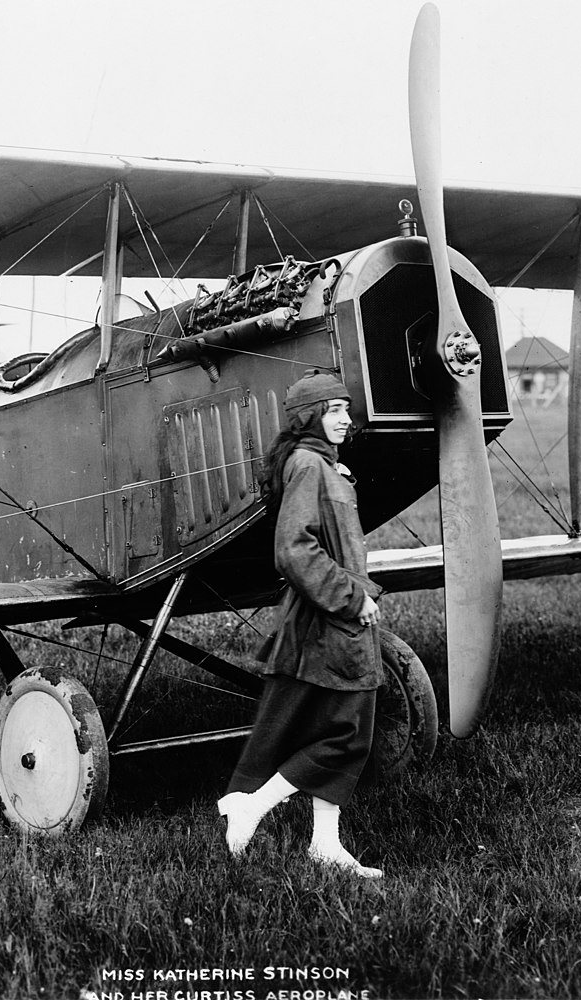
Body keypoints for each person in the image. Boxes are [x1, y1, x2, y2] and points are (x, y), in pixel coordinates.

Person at [218, 369, 385, 879]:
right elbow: (293, 548)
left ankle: (324, 843)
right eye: (334, 411)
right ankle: (252, 805)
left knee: (327, 725)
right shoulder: (310, 466)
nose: (345, 419)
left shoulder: (321, 465)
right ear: (310, 417)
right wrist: (352, 597)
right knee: (348, 732)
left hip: (327, 616)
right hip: (332, 616)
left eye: (345, 410)